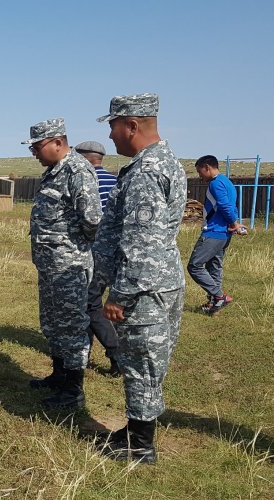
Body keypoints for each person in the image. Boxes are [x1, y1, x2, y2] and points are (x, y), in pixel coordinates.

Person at [93, 93, 188, 464]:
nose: (112, 135)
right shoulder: (167, 162)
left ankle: (141, 445)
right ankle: (136, 430)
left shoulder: (147, 171)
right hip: (162, 280)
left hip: (145, 286)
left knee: (142, 361)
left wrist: (120, 295)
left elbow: (140, 241)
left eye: (114, 126)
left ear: (131, 125)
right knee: (149, 361)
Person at [23, 119, 101, 409]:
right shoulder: (53, 171)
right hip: (50, 265)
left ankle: (73, 390)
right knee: (53, 322)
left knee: (71, 325)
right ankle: (58, 375)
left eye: (37, 146)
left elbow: (92, 220)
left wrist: (73, 249)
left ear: (58, 142)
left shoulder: (77, 170)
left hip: (70, 266)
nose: (34, 152)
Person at [74, 140, 120, 376]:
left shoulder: (86, 181)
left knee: (91, 306)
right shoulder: (115, 182)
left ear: (85, 158)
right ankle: (84, 350)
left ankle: (116, 354)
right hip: (114, 254)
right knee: (88, 304)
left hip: (93, 253)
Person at [187, 155, 245, 315]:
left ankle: (219, 296)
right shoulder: (227, 182)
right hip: (225, 233)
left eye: (200, 172)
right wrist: (234, 223)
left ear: (207, 167)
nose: (200, 176)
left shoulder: (215, 183)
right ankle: (215, 306)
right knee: (214, 267)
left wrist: (234, 223)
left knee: (195, 265)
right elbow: (232, 206)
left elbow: (225, 205)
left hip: (213, 232)